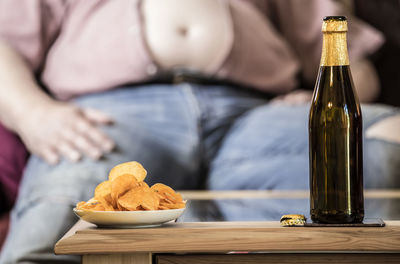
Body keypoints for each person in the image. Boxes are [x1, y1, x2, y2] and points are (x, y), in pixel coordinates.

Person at [0, 0, 399, 263]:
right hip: (109, 117)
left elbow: (350, 57)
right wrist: (32, 113)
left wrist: (316, 96)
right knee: (52, 227)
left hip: (256, 115)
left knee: (386, 140)